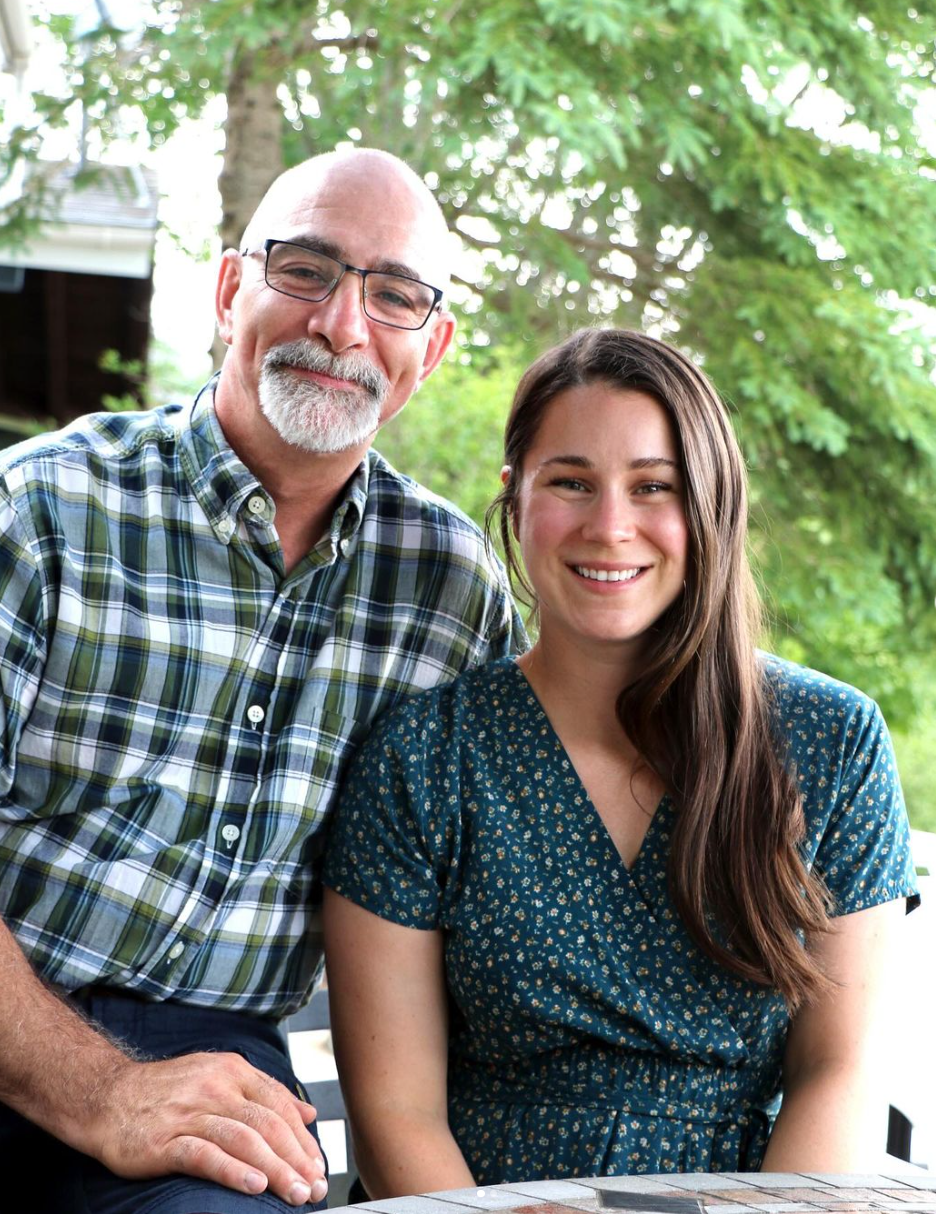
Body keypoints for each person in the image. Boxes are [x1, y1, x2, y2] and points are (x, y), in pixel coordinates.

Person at [0, 148, 524, 1214]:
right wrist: (105, 1092)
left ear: (431, 347)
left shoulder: (451, 596)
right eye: (307, 271)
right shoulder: (44, 510)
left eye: (395, 296)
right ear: (231, 290)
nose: (343, 325)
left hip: (222, 1074)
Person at [323, 326, 919, 1193]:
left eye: (654, 487)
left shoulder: (831, 744)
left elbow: (840, 1073)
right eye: (571, 481)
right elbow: (394, 1112)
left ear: (710, 506)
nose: (610, 526)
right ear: (515, 499)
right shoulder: (426, 757)